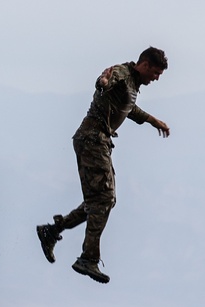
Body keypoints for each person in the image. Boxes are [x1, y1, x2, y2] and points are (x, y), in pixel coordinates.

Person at [37, 46, 171, 284]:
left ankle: (53, 230)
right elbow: (105, 82)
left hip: (97, 142)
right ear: (146, 65)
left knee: (101, 200)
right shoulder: (121, 73)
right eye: (155, 74)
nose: (156, 79)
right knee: (104, 199)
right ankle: (87, 258)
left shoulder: (131, 84)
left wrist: (153, 121)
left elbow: (129, 108)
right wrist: (103, 80)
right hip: (92, 140)